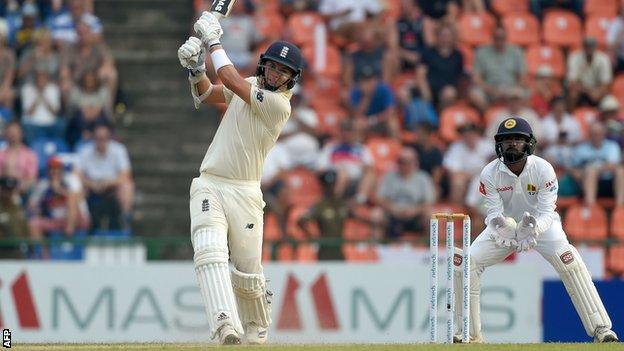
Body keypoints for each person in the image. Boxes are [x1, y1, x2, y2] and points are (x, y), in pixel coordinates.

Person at [177, 10, 304, 345]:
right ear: (264, 65)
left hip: (245, 192)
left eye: (284, 71)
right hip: (211, 183)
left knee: (247, 275)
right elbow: (208, 93)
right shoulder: (249, 84)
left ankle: (255, 327)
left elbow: (230, 79)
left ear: (291, 79)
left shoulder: (279, 105)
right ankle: (224, 326)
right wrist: (194, 70)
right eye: (274, 66)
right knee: (209, 250)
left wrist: (213, 40)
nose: (276, 74)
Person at [453, 117, 618, 343]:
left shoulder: (543, 169)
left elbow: (548, 211)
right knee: (467, 263)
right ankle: (469, 335)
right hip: (506, 229)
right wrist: (501, 226)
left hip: (542, 226)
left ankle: (602, 330)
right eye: (507, 140)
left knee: (570, 262)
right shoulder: (490, 173)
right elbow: (492, 212)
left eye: (517, 140)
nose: (512, 144)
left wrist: (533, 230)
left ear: (529, 143)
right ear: (498, 145)